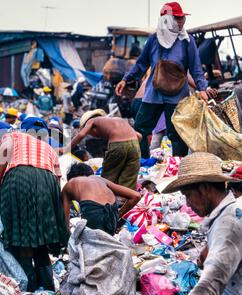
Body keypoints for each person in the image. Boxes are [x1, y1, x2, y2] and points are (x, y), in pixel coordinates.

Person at [116, 2, 217, 157]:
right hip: (153, 94)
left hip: (178, 96)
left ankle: (178, 165)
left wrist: (202, 89)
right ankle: (143, 163)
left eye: (182, 17)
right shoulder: (153, 40)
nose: (181, 20)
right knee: (139, 130)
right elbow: (141, 63)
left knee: (177, 135)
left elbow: (196, 69)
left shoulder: (187, 41)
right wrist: (126, 79)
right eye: (177, 18)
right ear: (166, 20)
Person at [0, 117, 69, 292]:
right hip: (47, 184)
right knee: (40, 241)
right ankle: (49, 290)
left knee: (21, 239)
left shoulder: (13, 136)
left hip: (19, 178)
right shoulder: (49, 149)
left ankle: (27, 291)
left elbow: (2, 158)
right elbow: (57, 181)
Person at [162, 152, 242, 295]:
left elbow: (210, 285)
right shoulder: (232, 210)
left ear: (205, 189)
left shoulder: (227, 223)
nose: (187, 204)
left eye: (188, 195)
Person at [63, 109, 141, 190]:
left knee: (107, 179)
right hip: (135, 144)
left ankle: (105, 198)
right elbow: (139, 136)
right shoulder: (118, 121)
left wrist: (66, 149)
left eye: (90, 133)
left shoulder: (91, 121)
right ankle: (126, 198)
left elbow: (81, 134)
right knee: (129, 178)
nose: (94, 136)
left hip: (118, 144)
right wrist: (130, 146)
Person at [63, 163, 141, 235]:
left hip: (94, 213)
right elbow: (136, 196)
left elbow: (64, 220)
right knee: (106, 243)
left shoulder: (70, 184)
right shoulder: (99, 179)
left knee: (92, 245)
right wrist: (118, 215)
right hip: (112, 212)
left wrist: (70, 238)